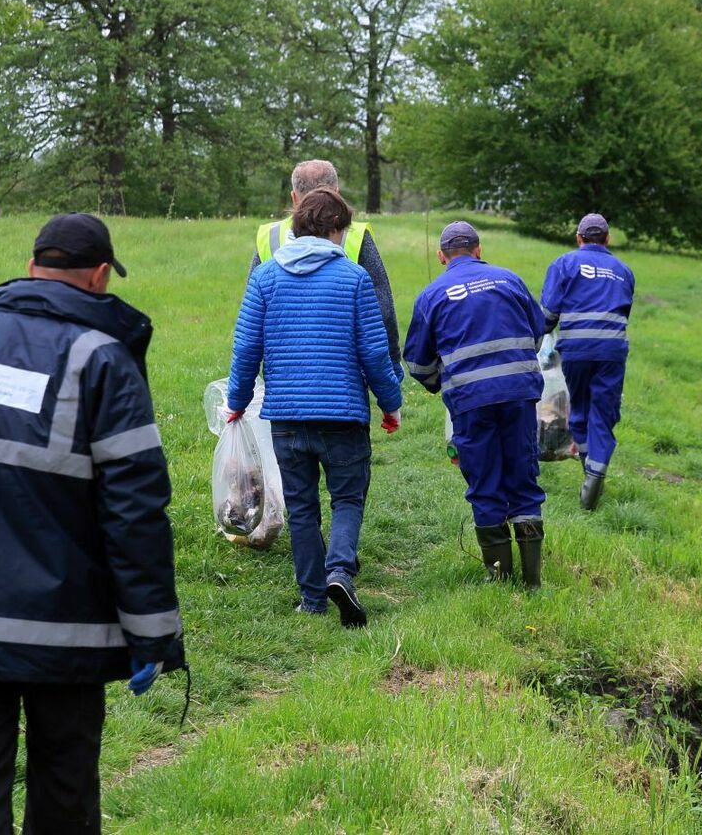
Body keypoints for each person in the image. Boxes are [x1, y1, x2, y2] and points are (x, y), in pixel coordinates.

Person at [0, 213, 186, 834]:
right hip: (68, 630)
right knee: (64, 786)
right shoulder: (103, 359)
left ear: (32, 267)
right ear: (97, 276)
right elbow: (135, 511)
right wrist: (154, 634)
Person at [227, 187, 402, 628]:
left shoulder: (264, 278)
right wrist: (390, 404)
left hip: (286, 417)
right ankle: (340, 571)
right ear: (334, 230)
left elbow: (246, 347)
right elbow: (375, 354)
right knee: (347, 497)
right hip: (343, 416)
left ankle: (311, 599)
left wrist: (236, 402)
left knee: (302, 507)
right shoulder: (353, 279)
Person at [403, 221, 547, 587]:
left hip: (470, 401)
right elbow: (538, 328)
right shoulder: (510, 280)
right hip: (519, 393)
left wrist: (440, 384)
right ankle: (531, 582)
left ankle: (498, 579)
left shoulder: (431, 295)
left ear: (441, 257)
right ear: (479, 250)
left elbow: (418, 364)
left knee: (485, 481)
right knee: (524, 478)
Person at [250, 159, 403, 378]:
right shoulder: (355, 234)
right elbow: (382, 309)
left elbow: (252, 314)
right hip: (343, 370)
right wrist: (392, 362)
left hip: (283, 370)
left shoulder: (269, 236)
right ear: (337, 194)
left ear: (294, 197)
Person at [540, 213, 635, 511]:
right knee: (603, 412)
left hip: (577, 351)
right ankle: (596, 473)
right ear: (607, 239)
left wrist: (538, 341)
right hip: (611, 351)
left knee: (579, 410)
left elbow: (548, 314)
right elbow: (623, 313)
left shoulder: (564, 264)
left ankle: (589, 474)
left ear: (579, 238)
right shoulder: (624, 270)